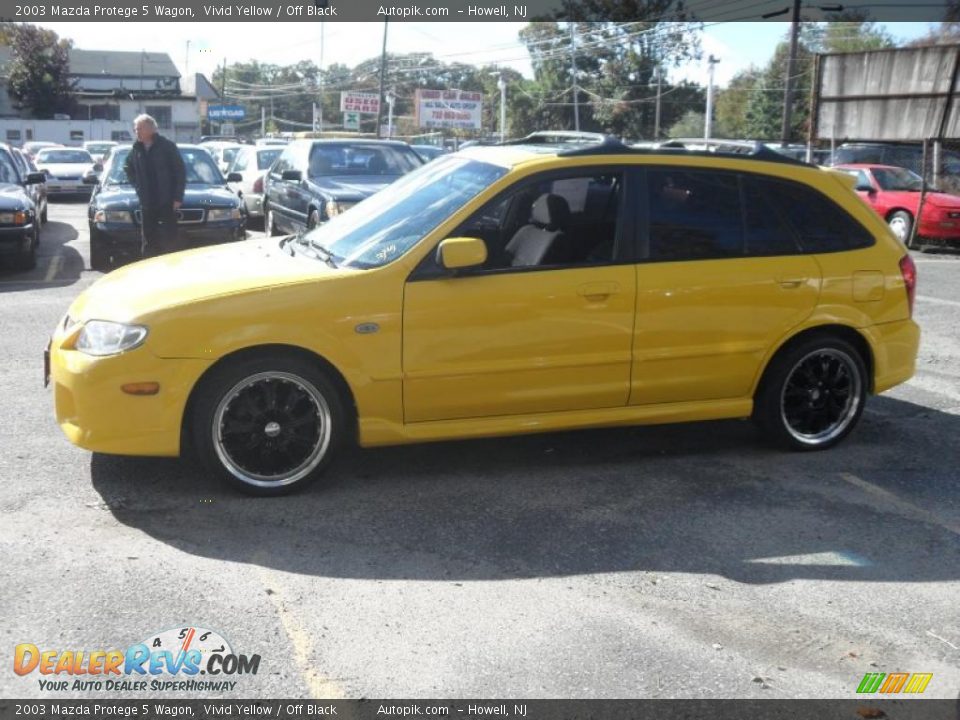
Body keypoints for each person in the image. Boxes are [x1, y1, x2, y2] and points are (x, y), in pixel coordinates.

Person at [124, 114, 187, 258]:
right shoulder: (136, 148)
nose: (136, 132)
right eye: (136, 129)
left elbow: (180, 172)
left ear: (150, 129)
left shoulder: (167, 146)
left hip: (166, 200)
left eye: (139, 129)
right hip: (147, 201)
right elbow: (128, 167)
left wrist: (178, 197)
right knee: (148, 239)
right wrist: (137, 184)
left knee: (169, 238)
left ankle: (171, 267)